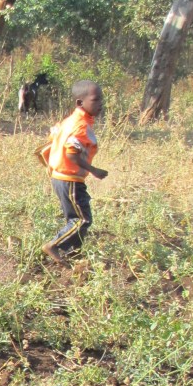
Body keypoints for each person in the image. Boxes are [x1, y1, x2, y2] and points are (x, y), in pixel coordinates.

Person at [39, 79, 108, 264]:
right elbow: (72, 155)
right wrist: (94, 170)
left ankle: (72, 254)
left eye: (101, 99)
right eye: (95, 100)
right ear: (80, 102)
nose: (100, 103)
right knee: (81, 219)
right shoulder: (79, 126)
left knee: (75, 217)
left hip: (61, 177)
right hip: (69, 178)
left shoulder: (71, 121)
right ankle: (54, 246)